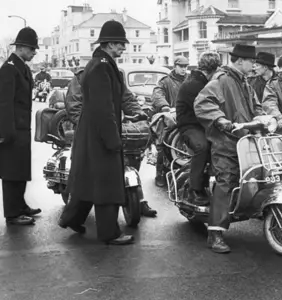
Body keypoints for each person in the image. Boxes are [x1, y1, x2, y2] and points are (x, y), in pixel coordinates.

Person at [58, 20, 134, 245]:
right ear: (110, 44)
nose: (123, 49)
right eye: (120, 44)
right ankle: (110, 233)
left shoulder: (98, 63)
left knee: (89, 180)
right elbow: (104, 108)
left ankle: (71, 218)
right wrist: (113, 139)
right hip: (101, 134)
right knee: (107, 183)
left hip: (91, 133)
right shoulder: (102, 66)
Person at [194, 44, 263, 253]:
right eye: (252, 62)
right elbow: (202, 102)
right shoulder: (221, 80)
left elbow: (256, 105)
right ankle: (215, 233)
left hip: (246, 140)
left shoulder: (244, 82)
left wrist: (264, 117)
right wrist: (220, 120)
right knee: (226, 181)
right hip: (226, 142)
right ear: (240, 61)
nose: (254, 66)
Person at [64, 68, 158, 218]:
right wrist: (89, 125)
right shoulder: (82, 77)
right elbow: (74, 107)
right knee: (89, 173)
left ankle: (137, 198)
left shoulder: (115, 74)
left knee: (132, 155)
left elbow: (126, 98)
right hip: (89, 132)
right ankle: (75, 212)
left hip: (113, 126)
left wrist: (137, 112)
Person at [0, 27, 41, 225]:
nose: (34, 53)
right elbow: (4, 103)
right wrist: (7, 133)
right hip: (11, 128)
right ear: (21, 48)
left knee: (20, 169)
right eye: (32, 49)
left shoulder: (19, 66)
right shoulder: (9, 69)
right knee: (10, 172)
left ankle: (20, 205)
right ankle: (12, 213)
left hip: (21, 127)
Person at [175, 51, 222, 206]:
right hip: (190, 126)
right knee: (202, 147)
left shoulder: (202, 82)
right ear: (213, 69)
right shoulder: (193, 85)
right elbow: (204, 110)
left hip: (203, 124)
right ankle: (194, 190)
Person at [152, 55, 188, 187]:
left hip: (186, 116)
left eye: (185, 67)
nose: (184, 69)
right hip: (170, 117)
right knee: (162, 143)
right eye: (181, 66)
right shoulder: (165, 81)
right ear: (175, 66)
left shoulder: (190, 80)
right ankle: (159, 174)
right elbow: (157, 94)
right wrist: (164, 106)